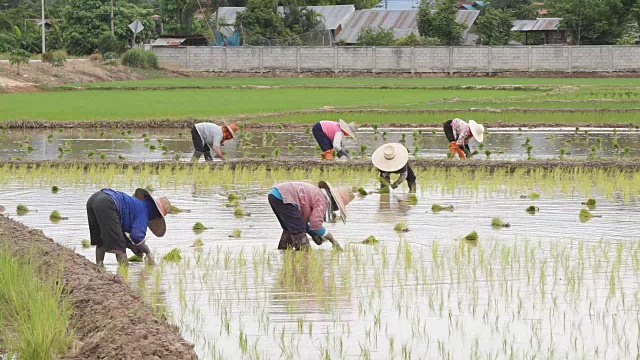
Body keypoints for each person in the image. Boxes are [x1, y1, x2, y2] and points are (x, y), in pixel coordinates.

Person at [86, 188, 171, 266]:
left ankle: (99, 266)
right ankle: (124, 272)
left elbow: (118, 231)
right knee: (120, 246)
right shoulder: (144, 212)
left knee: (101, 239)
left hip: (94, 199)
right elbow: (136, 236)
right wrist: (148, 252)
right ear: (157, 214)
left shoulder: (136, 204)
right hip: (108, 203)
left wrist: (131, 246)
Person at [267, 181, 355, 250]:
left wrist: (313, 234)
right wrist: (331, 239)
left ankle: (284, 252)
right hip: (285, 197)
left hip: (275, 195)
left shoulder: (318, 194)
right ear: (335, 203)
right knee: (302, 243)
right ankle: (303, 259)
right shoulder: (322, 201)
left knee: (291, 229)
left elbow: (300, 222)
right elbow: (316, 225)